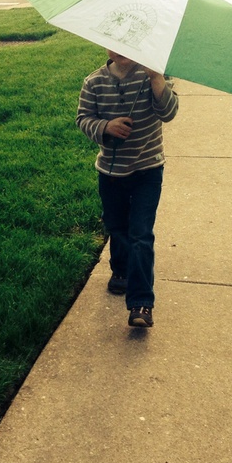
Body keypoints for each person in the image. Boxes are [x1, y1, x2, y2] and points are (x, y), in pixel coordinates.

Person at [76, 50, 179, 328]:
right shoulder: (94, 82)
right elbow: (83, 118)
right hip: (110, 174)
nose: (121, 49)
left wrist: (157, 80)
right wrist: (105, 126)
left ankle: (141, 303)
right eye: (114, 42)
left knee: (141, 235)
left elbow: (168, 113)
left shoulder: (151, 76)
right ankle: (121, 270)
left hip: (148, 170)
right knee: (117, 227)